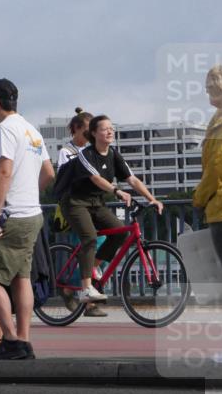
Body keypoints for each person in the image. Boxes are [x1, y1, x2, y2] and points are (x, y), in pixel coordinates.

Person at [0, 79, 54, 361]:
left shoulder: (5, 130)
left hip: (13, 215)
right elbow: (48, 174)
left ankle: (9, 339)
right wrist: (30, 193)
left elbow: (5, 171)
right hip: (33, 214)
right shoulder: (31, 130)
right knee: (22, 278)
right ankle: (24, 340)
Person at [64, 114, 164, 303]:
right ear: (93, 133)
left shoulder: (114, 154)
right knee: (89, 238)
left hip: (96, 203)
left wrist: (152, 199)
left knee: (120, 233)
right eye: (104, 129)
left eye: (112, 128)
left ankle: (92, 266)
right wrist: (117, 191)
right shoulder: (86, 154)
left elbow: (132, 179)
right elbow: (95, 178)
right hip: (75, 202)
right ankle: (85, 289)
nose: (110, 131)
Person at [55, 109, 106, 317]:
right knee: (88, 245)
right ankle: (87, 301)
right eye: (87, 130)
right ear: (76, 129)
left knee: (100, 243)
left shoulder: (94, 150)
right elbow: (68, 177)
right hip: (75, 206)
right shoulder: (66, 151)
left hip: (93, 204)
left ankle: (76, 286)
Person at [194, 64, 222, 277]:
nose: (206, 89)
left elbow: (216, 166)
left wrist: (199, 197)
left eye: (210, 83)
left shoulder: (221, 123)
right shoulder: (217, 119)